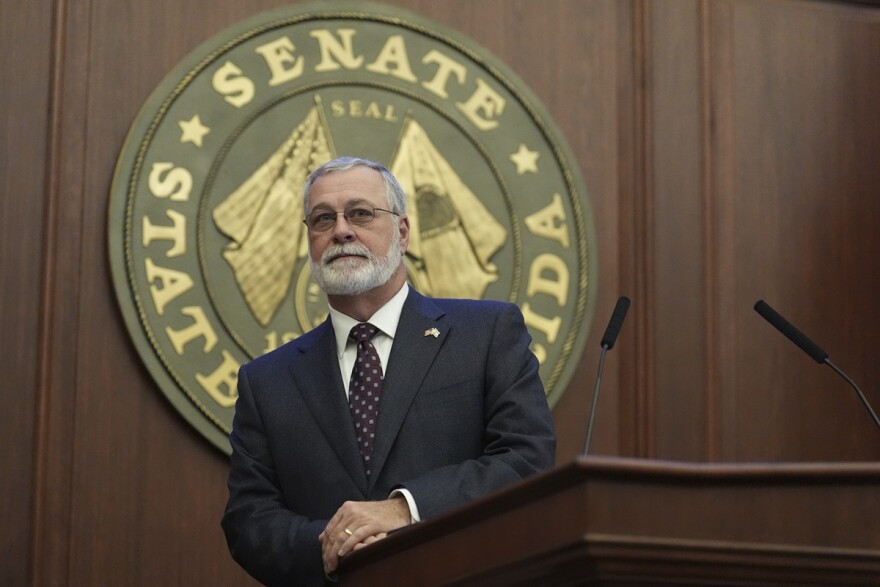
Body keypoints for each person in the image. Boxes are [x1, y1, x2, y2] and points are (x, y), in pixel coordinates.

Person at [221, 156, 556, 586]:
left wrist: (404, 508)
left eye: (360, 213)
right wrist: (333, 544)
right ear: (309, 239)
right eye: (323, 219)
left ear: (402, 231)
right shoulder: (266, 380)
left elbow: (526, 459)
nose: (341, 230)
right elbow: (249, 520)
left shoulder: (487, 333)